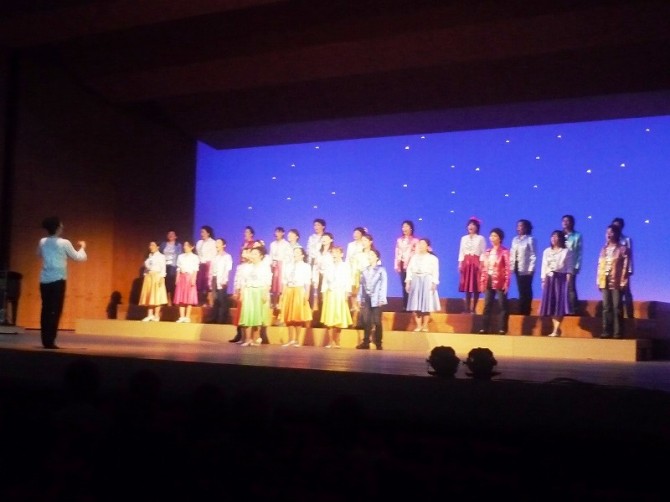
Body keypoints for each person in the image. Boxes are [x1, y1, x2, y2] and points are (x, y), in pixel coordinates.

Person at [37, 216, 87, 349]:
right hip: (58, 280)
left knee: (45, 309)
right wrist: (82, 247)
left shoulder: (42, 241)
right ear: (58, 227)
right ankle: (50, 341)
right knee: (55, 310)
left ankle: (45, 340)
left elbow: (38, 254)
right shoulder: (64, 243)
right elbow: (78, 257)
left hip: (44, 280)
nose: (63, 227)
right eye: (61, 225)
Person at [539, 230, 574, 337]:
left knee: (559, 304)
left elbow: (569, 267)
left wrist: (568, 280)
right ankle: (555, 329)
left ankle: (556, 329)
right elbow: (544, 266)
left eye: (556, 236)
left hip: (560, 279)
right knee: (551, 304)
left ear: (561, 238)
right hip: (549, 278)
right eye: (552, 236)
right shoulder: (546, 251)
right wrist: (543, 279)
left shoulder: (566, 251)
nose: (554, 238)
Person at [597, 224, 630, 339]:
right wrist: (598, 280)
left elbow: (625, 267)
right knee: (606, 307)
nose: (608, 235)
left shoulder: (623, 249)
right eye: (607, 233)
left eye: (611, 232)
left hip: (616, 281)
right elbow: (599, 265)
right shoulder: (603, 249)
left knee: (617, 307)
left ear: (616, 234)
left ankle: (617, 332)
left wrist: (623, 282)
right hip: (604, 280)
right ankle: (606, 331)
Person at [236, 245, 272, 346]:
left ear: (261, 256)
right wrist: (242, 293)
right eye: (252, 253)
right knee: (247, 315)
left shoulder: (265, 267)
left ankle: (256, 339)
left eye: (255, 253)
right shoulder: (247, 267)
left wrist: (265, 293)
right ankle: (248, 339)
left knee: (257, 316)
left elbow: (268, 281)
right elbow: (243, 281)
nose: (253, 255)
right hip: (248, 291)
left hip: (259, 291)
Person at [478, 228, 511, 335]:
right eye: (491, 236)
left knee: (502, 305)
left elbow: (508, 268)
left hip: (500, 280)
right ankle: (484, 328)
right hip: (489, 279)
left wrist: (507, 283)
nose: (492, 238)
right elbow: (484, 269)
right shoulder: (488, 252)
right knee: (487, 305)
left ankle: (502, 328)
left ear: (500, 238)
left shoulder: (504, 251)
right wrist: (482, 282)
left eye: (495, 236)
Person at [278, 246, 312, 347]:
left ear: (302, 255)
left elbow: (307, 281)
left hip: (299, 290)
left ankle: (297, 340)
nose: (295, 254)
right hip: (289, 290)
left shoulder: (306, 266)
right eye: (294, 252)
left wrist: (307, 293)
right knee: (288, 317)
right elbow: (284, 281)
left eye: (298, 252)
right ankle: (290, 339)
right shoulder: (288, 266)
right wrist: (283, 293)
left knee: (297, 316)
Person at [405, 238, 441, 332]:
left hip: (427, 280)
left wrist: (434, 283)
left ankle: (425, 326)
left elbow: (435, 271)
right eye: (419, 244)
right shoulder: (414, 257)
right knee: (416, 304)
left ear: (427, 246)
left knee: (426, 304)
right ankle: (418, 325)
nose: (420, 245)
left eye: (423, 244)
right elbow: (409, 270)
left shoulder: (433, 258)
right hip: (416, 280)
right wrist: (408, 282)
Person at [320, 246, 352, 348]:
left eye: (336, 252)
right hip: (330, 293)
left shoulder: (345, 266)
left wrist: (347, 293)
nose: (334, 254)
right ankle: (330, 341)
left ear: (341, 254)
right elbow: (325, 281)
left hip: (340, 293)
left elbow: (348, 280)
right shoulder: (329, 266)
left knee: (339, 317)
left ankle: (337, 340)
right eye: (333, 252)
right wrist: (323, 293)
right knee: (329, 318)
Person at [356, 248, 387, 350]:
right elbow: (361, 285)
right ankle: (366, 342)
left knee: (377, 321)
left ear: (377, 257)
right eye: (369, 255)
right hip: (366, 298)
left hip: (376, 298)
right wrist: (359, 297)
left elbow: (383, 285)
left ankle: (378, 342)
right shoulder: (365, 270)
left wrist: (382, 299)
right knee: (366, 321)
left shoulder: (381, 270)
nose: (370, 257)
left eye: (372, 255)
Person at [458, 217, 486, 314]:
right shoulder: (463, 238)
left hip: (476, 262)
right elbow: (461, 251)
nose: (471, 226)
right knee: (467, 286)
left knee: (475, 286)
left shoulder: (480, 238)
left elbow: (483, 252)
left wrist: (481, 264)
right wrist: (460, 263)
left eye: (473, 225)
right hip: (466, 262)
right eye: (469, 224)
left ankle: (474, 309)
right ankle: (467, 309)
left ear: (477, 227)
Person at [509, 219, 537, 315]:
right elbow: (512, 253)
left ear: (526, 228)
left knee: (527, 289)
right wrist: (511, 266)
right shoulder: (515, 239)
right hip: (517, 267)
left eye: (520, 226)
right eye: (518, 226)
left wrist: (531, 268)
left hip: (526, 267)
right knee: (520, 289)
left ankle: (527, 310)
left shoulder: (530, 239)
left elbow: (533, 255)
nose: (518, 228)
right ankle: (521, 309)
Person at [139, 241, 168, 322]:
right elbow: (146, 268)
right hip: (149, 276)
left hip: (157, 276)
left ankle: (156, 315)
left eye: (153, 245)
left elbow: (163, 268)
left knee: (157, 296)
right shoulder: (149, 256)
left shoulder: (161, 256)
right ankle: (150, 315)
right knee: (150, 296)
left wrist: (162, 278)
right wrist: (145, 275)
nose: (151, 247)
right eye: (150, 245)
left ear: (157, 247)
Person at [611, 217, 634, 318]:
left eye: (618, 226)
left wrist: (629, 269)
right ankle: (618, 316)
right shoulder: (610, 239)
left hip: (624, 269)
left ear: (621, 227)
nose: (616, 227)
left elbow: (630, 255)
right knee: (616, 293)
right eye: (614, 225)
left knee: (626, 291)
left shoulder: (626, 240)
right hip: (613, 270)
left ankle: (630, 314)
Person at [394, 220, 419, 310]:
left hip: (412, 265)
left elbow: (417, 253)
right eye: (403, 226)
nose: (404, 228)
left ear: (411, 228)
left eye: (406, 226)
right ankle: (405, 305)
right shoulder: (399, 240)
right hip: (402, 264)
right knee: (404, 284)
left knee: (411, 284)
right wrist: (396, 265)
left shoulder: (415, 240)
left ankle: (413, 305)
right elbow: (397, 252)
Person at [173, 240, 199, 322]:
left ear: (192, 247)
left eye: (187, 245)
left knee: (189, 297)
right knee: (181, 297)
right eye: (184, 245)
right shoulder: (180, 256)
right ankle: (182, 316)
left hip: (190, 277)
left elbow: (195, 269)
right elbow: (178, 268)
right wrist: (177, 278)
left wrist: (193, 279)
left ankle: (187, 317)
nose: (185, 247)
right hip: (182, 277)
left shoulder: (195, 257)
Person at [562, 214, 583, 315]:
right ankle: (562, 308)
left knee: (571, 287)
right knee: (560, 288)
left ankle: (573, 309)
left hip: (571, 265)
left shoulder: (577, 236)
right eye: (563, 221)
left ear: (572, 223)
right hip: (560, 265)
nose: (565, 223)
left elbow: (578, 252)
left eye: (567, 221)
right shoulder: (560, 235)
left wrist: (577, 266)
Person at [211, 238, 233, 324]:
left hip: (222, 279)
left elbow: (227, 269)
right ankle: (214, 318)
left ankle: (222, 319)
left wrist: (225, 280)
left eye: (219, 243)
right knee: (215, 299)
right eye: (216, 242)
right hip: (214, 278)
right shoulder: (215, 256)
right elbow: (212, 269)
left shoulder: (227, 256)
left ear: (224, 245)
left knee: (221, 299)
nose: (217, 244)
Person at [269, 226, 292, 309]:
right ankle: (273, 303)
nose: (276, 234)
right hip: (274, 265)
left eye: (279, 232)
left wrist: (281, 262)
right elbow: (271, 255)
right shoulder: (272, 244)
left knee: (280, 285)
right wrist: (272, 263)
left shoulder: (286, 244)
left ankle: (280, 303)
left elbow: (289, 256)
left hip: (282, 265)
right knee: (273, 285)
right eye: (276, 232)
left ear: (283, 233)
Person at [159, 230, 182, 306]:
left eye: (172, 234)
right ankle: (166, 300)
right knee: (165, 283)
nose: (170, 235)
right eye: (169, 234)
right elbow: (160, 254)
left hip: (173, 266)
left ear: (176, 236)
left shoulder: (178, 245)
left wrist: (179, 268)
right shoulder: (163, 244)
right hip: (164, 266)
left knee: (172, 283)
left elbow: (179, 256)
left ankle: (172, 300)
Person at [195, 225, 217, 306]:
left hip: (209, 265)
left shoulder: (213, 243)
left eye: (203, 232)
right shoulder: (199, 243)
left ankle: (209, 303)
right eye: (201, 232)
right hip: (200, 265)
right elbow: (198, 254)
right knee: (200, 284)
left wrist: (209, 264)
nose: (201, 234)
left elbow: (214, 255)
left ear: (208, 233)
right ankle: (201, 302)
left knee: (208, 284)